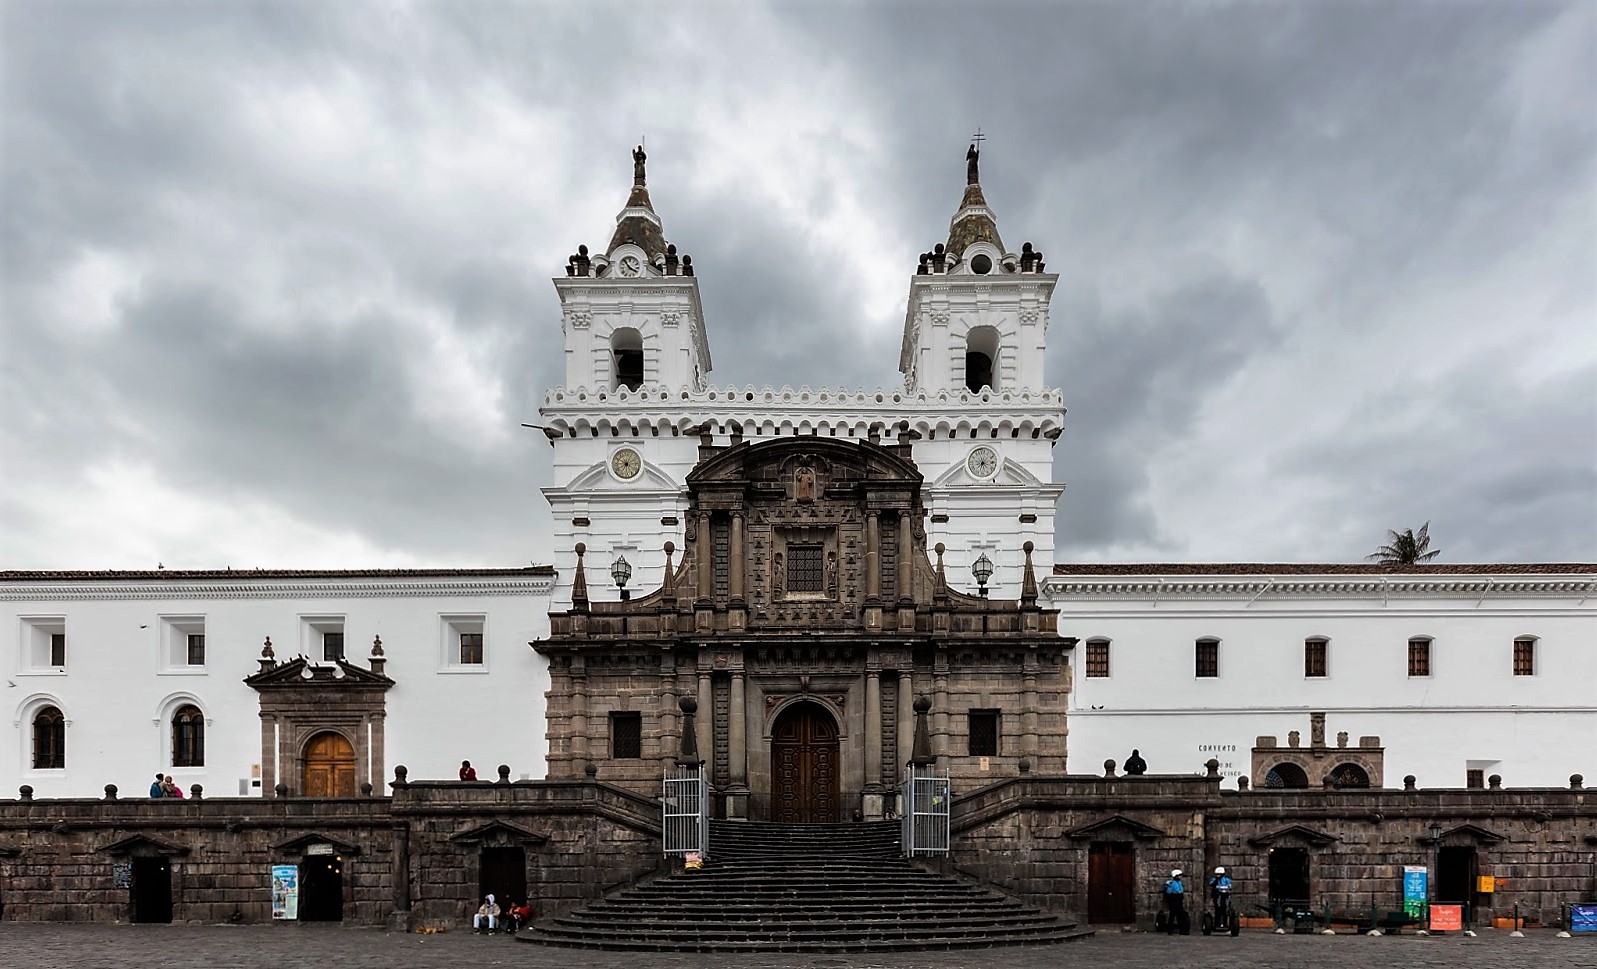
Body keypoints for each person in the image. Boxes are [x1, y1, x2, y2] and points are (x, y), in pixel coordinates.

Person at [1163, 869, 1187, 935]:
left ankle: (1182, 929)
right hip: (1174, 899)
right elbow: (1169, 892)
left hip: (1179, 898)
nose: (1180, 877)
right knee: (1172, 915)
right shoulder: (1172, 883)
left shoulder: (1179, 883)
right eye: (1179, 876)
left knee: (1180, 915)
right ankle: (1170, 930)